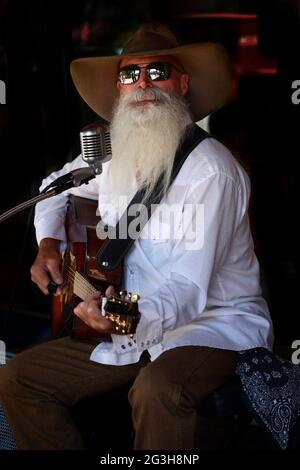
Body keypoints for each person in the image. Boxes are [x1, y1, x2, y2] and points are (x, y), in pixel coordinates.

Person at [0, 22, 273, 450]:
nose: (142, 83)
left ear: (182, 83)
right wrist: (48, 244)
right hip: (131, 319)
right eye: (130, 74)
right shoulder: (113, 152)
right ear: (118, 88)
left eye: (158, 71)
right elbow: (56, 186)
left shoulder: (212, 171)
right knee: (19, 379)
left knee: (157, 390)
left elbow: (188, 288)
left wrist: (123, 320)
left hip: (211, 326)